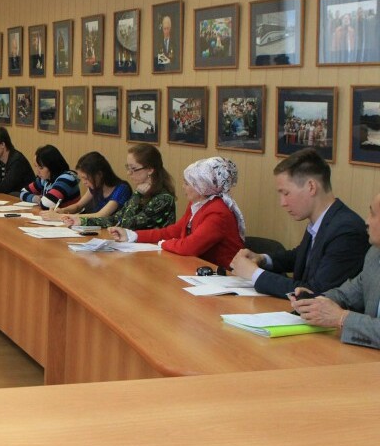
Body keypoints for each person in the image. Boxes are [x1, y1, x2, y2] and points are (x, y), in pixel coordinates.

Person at [231, 148, 368, 298]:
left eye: (286, 193)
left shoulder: (346, 231)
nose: (282, 203)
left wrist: (255, 274)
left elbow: (315, 292)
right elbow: (301, 256)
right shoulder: (324, 219)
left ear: (311, 187)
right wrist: (262, 259)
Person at [110, 157, 245, 270]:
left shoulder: (218, 213)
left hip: (224, 276)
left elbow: (189, 247)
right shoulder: (197, 203)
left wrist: (163, 244)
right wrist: (133, 235)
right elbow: (174, 231)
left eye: (187, 183)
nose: (183, 186)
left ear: (202, 187)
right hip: (200, 269)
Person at [292, 191, 380, 349]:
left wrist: (342, 318)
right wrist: (314, 301)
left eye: (373, 214)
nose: (366, 221)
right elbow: (348, 294)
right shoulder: (375, 254)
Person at [75, 144, 176, 231]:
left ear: (150, 170)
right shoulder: (142, 192)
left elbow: (125, 224)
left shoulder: (163, 199)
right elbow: (115, 219)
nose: (129, 173)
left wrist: (137, 195)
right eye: (128, 167)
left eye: (133, 168)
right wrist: (82, 221)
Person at [51, 151, 132, 223]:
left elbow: (101, 215)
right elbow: (78, 206)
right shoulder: (95, 186)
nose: (84, 182)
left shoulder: (122, 188)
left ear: (99, 174)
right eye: (82, 178)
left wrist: (62, 216)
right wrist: (62, 210)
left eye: (86, 178)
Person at [20, 145, 81, 210]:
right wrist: (35, 198)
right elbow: (22, 192)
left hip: (70, 216)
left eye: (41, 168)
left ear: (52, 166)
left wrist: (42, 200)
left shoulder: (66, 179)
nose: (37, 172)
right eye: (36, 166)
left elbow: (46, 204)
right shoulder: (45, 179)